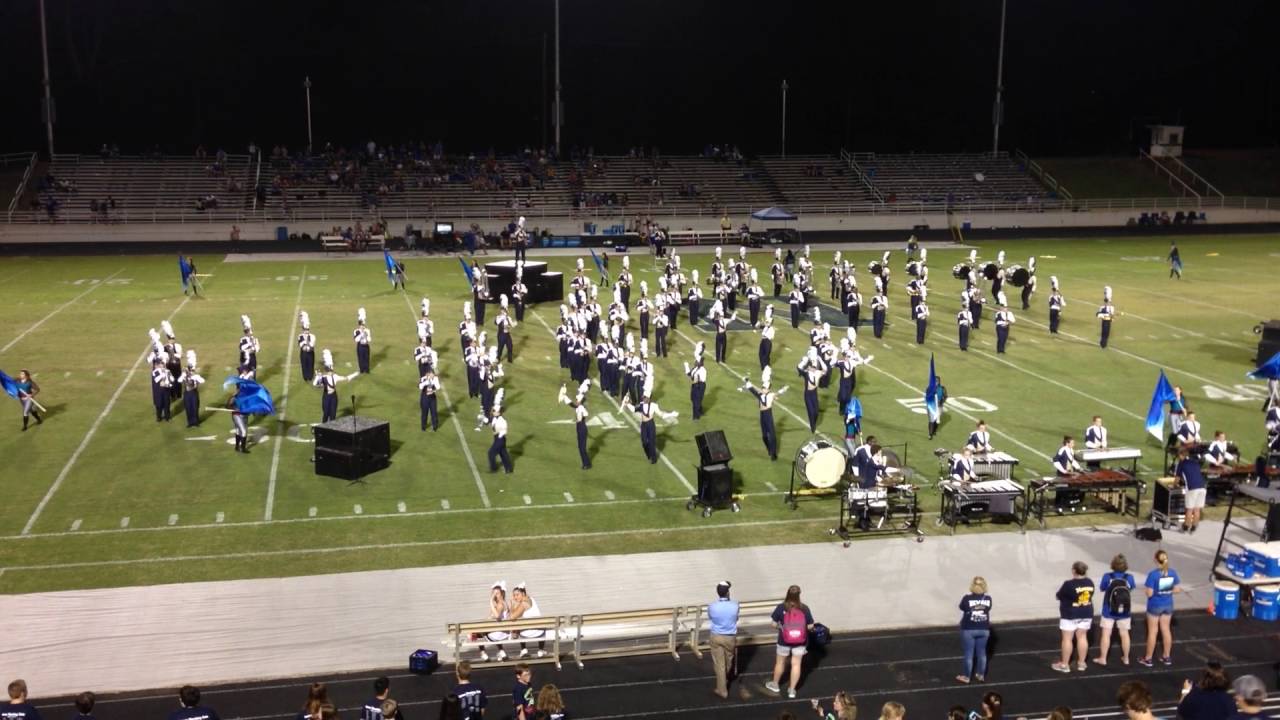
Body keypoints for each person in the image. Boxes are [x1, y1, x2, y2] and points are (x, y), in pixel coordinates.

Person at [766, 585, 815, 699]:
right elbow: (810, 625)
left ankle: (775, 684)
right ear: (799, 595)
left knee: (780, 663)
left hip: (784, 640)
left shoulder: (781, 607)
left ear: (787, 594)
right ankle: (792, 690)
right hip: (800, 641)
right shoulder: (804, 608)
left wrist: (782, 628)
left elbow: (773, 624)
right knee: (796, 664)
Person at [1139, 549, 1181, 667]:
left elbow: (1150, 593)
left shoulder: (1153, 575)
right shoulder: (1172, 572)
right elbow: (1177, 589)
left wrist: (1147, 591)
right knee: (1166, 630)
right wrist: (1166, 589)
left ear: (1155, 560)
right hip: (1168, 604)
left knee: (1153, 632)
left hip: (1155, 605)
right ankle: (1166, 656)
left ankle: (1148, 658)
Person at [1051, 560, 1094, 673]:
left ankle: (1065, 665)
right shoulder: (1090, 582)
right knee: (1082, 637)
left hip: (1070, 614)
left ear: (1074, 570)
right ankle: (1081, 663)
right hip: (1086, 612)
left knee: (1067, 639)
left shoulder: (1068, 584)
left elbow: (1058, 596)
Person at [1094, 553, 1136, 666]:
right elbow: (1131, 588)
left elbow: (1102, 588)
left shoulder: (1107, 576)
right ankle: (1126, 658)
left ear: (1113, 564)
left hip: (1109, 609)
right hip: (1124, 610)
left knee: (1106, 634)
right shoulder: (1129, 577)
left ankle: (1103, 658)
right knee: (1124, 634)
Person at [708, 580, 740, 699]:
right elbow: (736, 618)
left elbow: (711, 618)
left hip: (716, 635)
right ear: (728, 593)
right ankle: (723, 687)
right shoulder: (735, 605)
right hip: (730, 637)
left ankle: (722, 688)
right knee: (729, 660)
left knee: (719, 664)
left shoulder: (712, 606)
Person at [957, 576, 992, 683]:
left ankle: (966, 677)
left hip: (969, 629)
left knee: (969, 654)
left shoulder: (966, 598)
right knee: (982, 653)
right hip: (984, 629)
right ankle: (980, 675)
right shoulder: (988, 599)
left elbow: (962, 607)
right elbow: (988, 608)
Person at [1177, 448, 1206, 533]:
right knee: (1197, 509)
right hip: (1202, 487)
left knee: (1189, 509)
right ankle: (1194, 527)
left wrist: (1174, 485)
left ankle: (1185, 527)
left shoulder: (1181, 464)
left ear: (1181, 455)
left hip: (1192, 488)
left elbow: (1177, 478)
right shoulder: (1195, 462)